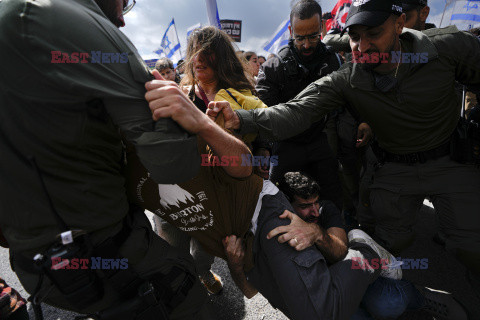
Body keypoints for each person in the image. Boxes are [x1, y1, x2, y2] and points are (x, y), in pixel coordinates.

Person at [204, 0, 480, 302]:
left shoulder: (449, 48)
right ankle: (406, 299)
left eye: (373, 33)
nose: (361, 46)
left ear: (400, 24)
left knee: (470, 246)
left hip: (450, 161)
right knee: (385, 248)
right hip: (394, 170)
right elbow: (294, 112)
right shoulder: (348, 77)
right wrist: (240, 118)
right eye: (354, 36)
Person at [131, 73, 409, 319]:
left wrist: (202, 125)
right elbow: (249, 291)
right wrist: (236, 265)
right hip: (242, 248)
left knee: (340, 309)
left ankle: (365, 250)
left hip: (258, 212)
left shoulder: (177, 124)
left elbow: (242, 167)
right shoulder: (119, 172)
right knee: (309, 309)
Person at [0, 0, 209, 319]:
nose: (123, 20)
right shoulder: (80, 24)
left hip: (37, 264)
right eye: (124, 3)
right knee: (185, 297)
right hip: (107, 249)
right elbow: (173, 164)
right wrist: (180, 113)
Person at [225, 171, 465, 319]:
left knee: (387, 303)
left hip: (354, 273)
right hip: (327, 299)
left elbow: (340, 250)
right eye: (305, 206)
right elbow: (250, 292)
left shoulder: (324, 212)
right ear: (286, 204)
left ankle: (420, 296)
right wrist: (235, 265)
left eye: (316, 202)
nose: (314, 210)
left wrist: (316, 233)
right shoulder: (268, 235)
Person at [154, 26, 266, 296]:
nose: (199, 58)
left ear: (223, 57)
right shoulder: (180, 93)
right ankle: (182, 291)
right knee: (173, 248)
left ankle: (202, 273)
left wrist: (261, 156)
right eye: (194, 52)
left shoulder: (243, 95)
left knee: (205, 249)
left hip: (219, 196)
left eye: (208, 52)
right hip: (177, 192)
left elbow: (262, 138)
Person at [256, 0, 356, 210]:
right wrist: (264, 148)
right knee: (279, 200)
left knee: (331, 195)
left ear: (322, 28)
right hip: (285, 144)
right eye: (300, 38)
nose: (307, 44)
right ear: (291, 31)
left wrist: (362, 121)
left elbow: (349, 97)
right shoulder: (274, 67)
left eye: (313, 36)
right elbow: (263, 114)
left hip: (320, 139)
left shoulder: (333, 61)